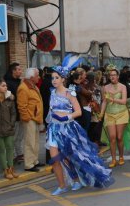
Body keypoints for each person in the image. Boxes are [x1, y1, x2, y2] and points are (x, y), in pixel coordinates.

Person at [45, 66, 114, 195]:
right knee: (54, 158)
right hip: (54, 129)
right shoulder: (52, 92)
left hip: (67, 128)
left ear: (63, 79)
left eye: (56, 78)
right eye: (52, 78)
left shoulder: (69, 93)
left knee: (68, 157)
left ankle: (76, 180)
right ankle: (61, 185)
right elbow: (51, 110)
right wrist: (50, 119)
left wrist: (66, 117)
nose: (53, 80)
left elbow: (78, 111)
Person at [100, 65, 130, 168]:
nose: (112, 77)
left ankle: (121, 156)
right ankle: (113, 159)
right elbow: (104, 101)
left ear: (118, 76)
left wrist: (113, 100)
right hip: (110, 114)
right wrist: (101, 113)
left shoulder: (123, 87)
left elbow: (123, 101)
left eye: (114, 75)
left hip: (121, 114)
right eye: (110, 75)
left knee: (119, 137)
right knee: (112, 137)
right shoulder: (105, 87)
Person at [16, 68, 44, 172]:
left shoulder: (34, 86)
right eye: (37, 75)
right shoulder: (23, 88)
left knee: (35, 141)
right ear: (32, 78)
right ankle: (28, 164)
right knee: (29, 142)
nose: (39, 77)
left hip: (35, 118)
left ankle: (34, 161)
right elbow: (22, 106)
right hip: (29, 119)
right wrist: (27, 118)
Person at [4, 63, 23, 163]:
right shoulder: (7, 83)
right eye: (19, 69)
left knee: (19, 136)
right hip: (12, 114)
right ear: (13, 71)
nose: (21, 71)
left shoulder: (19, 82)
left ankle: (19, 153)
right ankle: (12, 156)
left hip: (20, 113)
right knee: (13, 136)